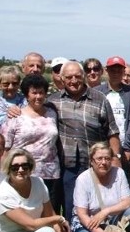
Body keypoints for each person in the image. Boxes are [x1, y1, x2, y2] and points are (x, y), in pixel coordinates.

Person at [49, 61, 122, 222]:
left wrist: (116, 158)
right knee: (70, 206)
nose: (73, 81)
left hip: (94, 163)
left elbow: (112, 131)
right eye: (69, 77)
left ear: (83, 77)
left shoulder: (99, 99)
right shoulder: (53, 101)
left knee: (96, 204)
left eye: (77, 76)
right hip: (66, 164)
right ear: (61, 78)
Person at [2, 74, 62, 212]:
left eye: (41, 92)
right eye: (34, 93)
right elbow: (5, 149)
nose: (38, 96)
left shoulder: (52, 113)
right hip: (23, 173)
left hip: (51, 173)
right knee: (28, 212)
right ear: (26, 95)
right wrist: (3, 174)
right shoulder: (15, 117)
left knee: (50, 213)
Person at [97, 56, 130, 173]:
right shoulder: (97, 92)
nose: (116, 73)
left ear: (123, 71)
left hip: (125, 147)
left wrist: (128, 146)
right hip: (102, 147)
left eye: (119, 70)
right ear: (106, 71)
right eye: (113, 70)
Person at [0, 65, 25, 131]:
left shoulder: (26, 101)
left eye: (14, 83)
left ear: (19, 84)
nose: (10, 87)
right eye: (6, 84)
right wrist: (7, 116)